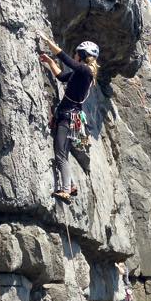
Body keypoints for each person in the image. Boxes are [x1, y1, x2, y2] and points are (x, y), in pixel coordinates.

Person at [38, 32, 99, 202]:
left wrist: (48, 42)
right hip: (67, 116)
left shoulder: (85, 71)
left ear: (82, 56)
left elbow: (65, 59)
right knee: (62, 152)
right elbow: (61, 76)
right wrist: (50, 62)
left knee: (60, 153)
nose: (74, 55)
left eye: (77, 53)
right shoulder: (79, 75)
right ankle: (70, 184)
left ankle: (66, 190)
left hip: (68, 117)